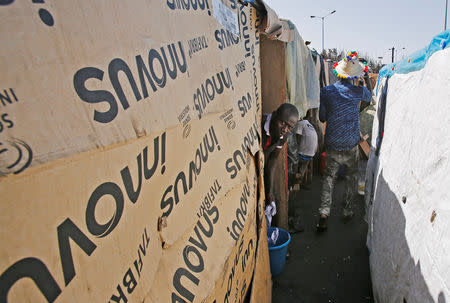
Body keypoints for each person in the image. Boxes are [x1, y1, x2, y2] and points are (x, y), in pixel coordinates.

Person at [317, 51, 372, 232]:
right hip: (351, 144)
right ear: (354, 76)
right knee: (351, 178)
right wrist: (367, 78)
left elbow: (322, 117)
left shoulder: (326, 92)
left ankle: (324, 213)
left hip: (332, 143)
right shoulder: (358, 91)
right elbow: (370, 97)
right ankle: (347, 210)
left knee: (329, 179)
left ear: (338, 73)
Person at [262, 103, 299, 208]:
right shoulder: (261, 124)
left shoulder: (283, 136)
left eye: (289, 127)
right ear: (274, 115)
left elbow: (273, 160)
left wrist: (270, 190)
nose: (285, 129)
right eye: (282, 123)